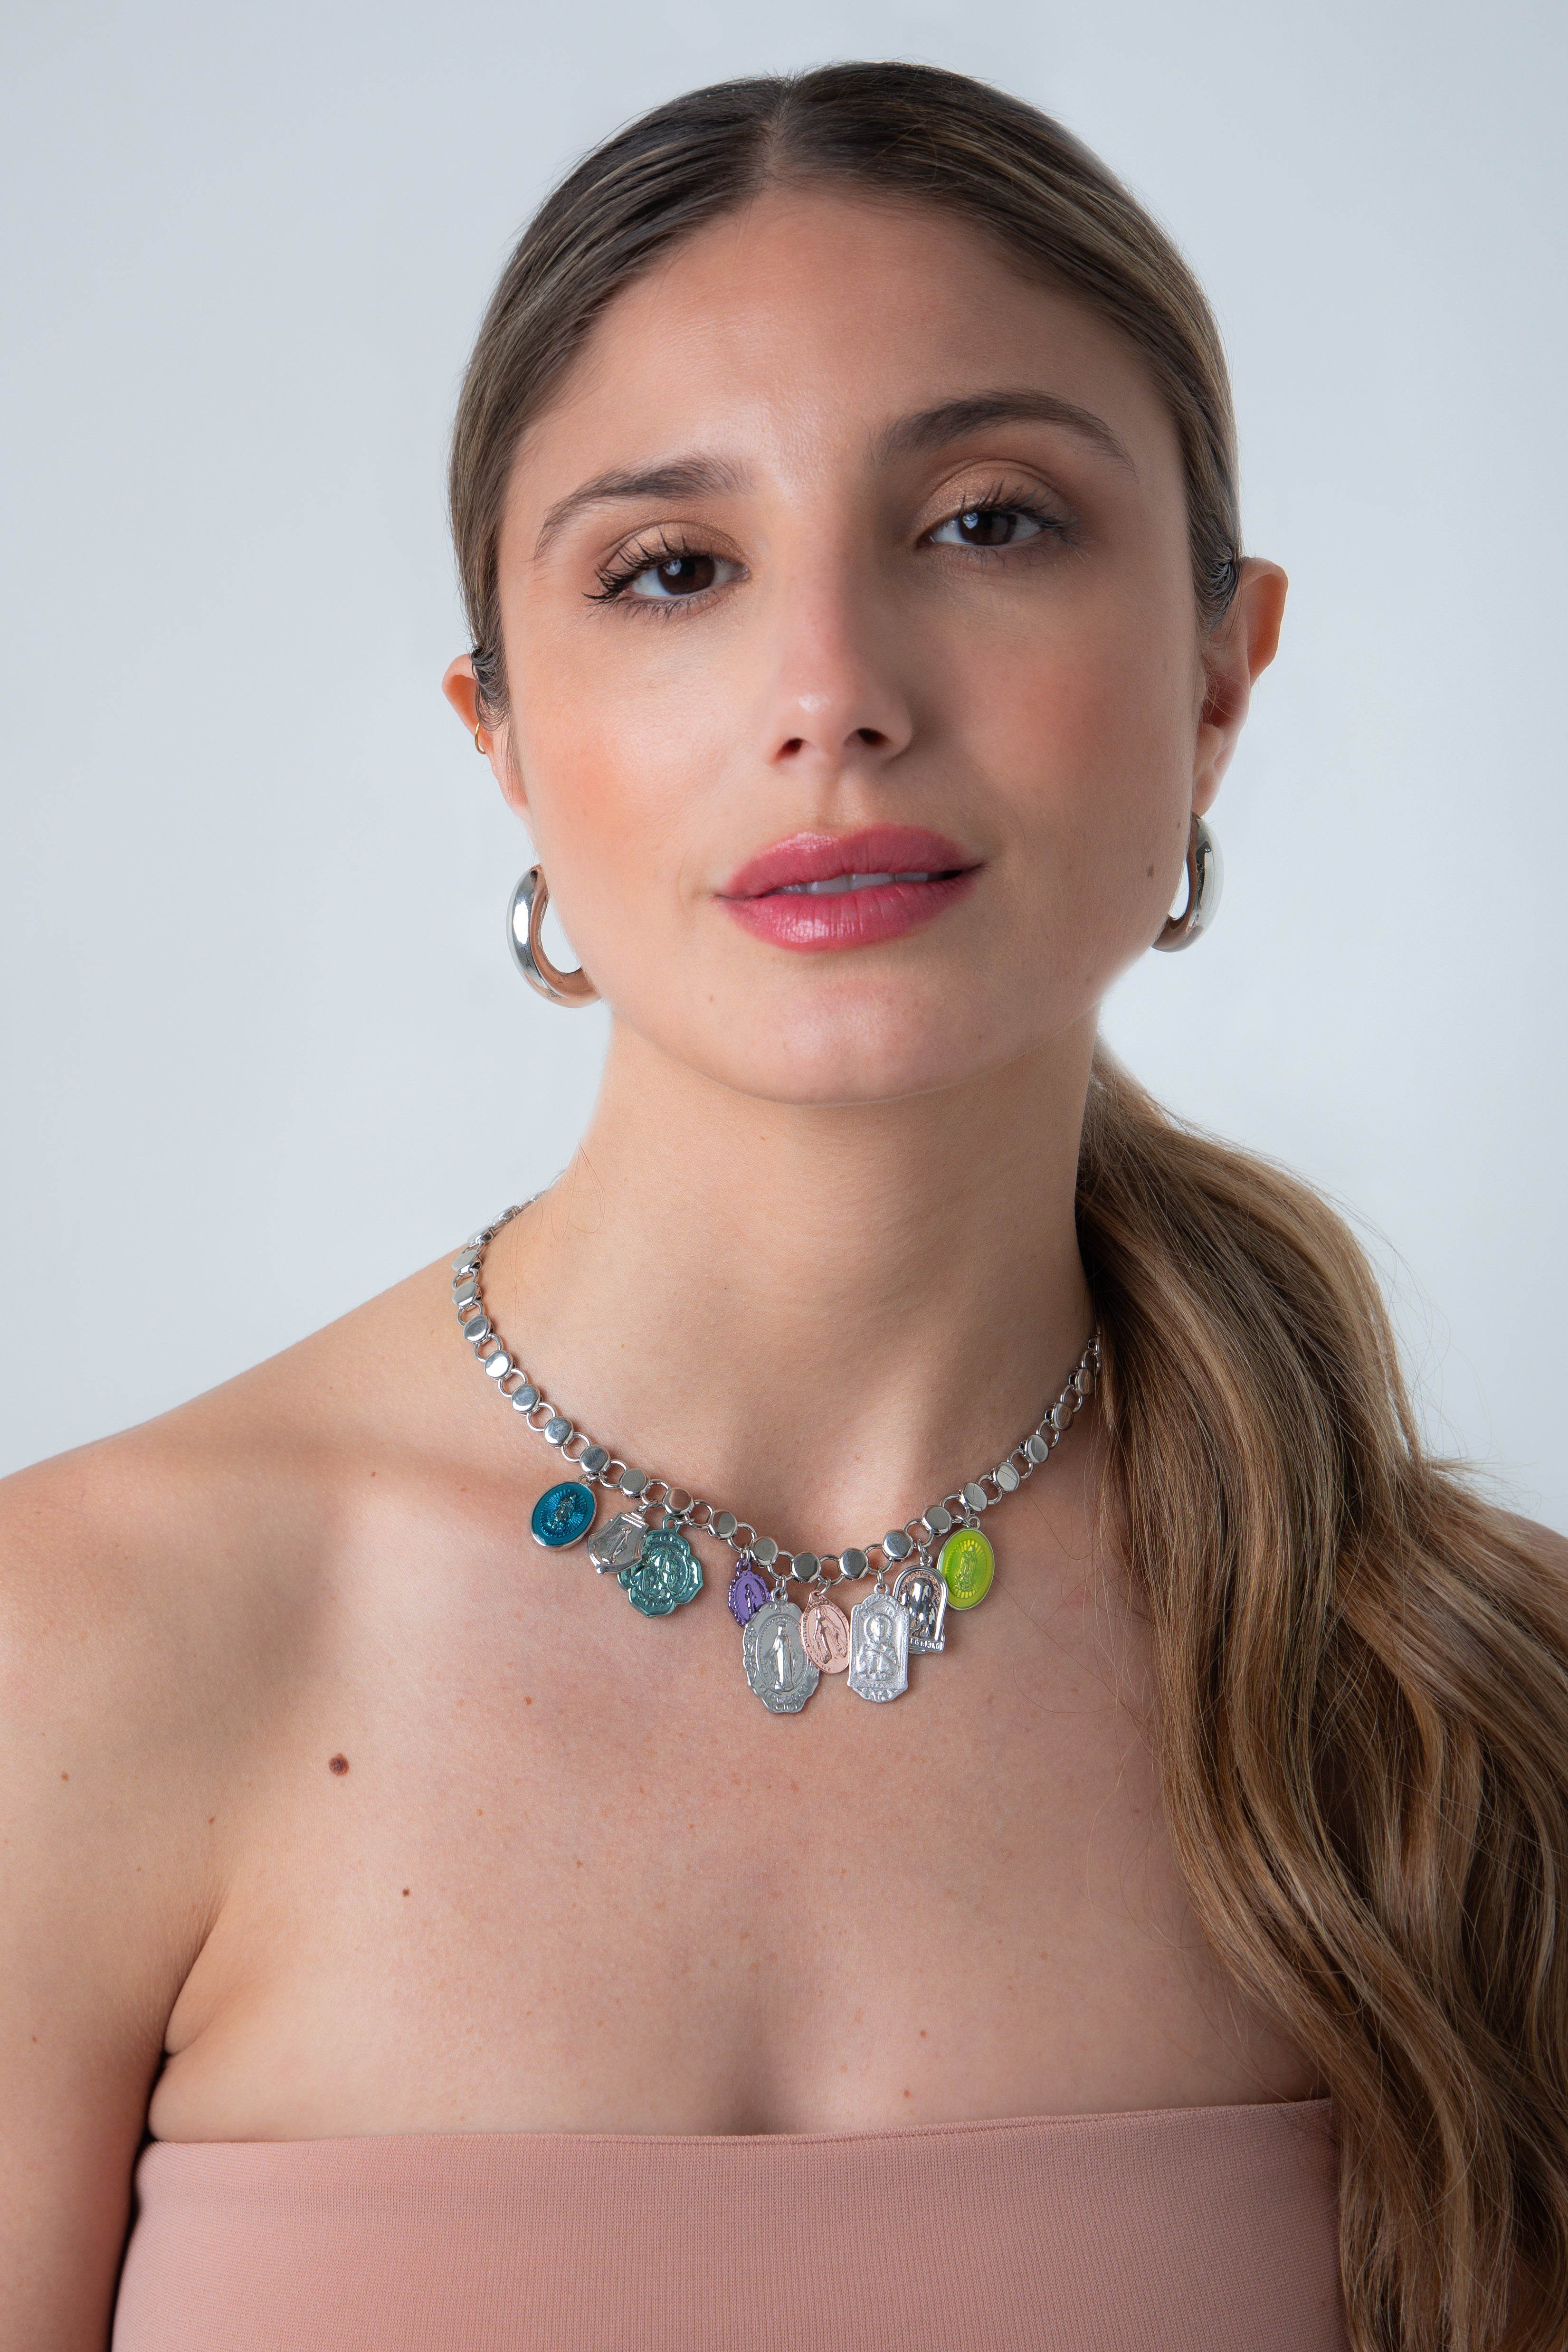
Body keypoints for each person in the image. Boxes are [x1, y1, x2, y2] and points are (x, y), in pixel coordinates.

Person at [3, 61, 1564, 2352]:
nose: (830, 695)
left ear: (1219, 674)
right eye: (673, 569)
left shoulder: (1467, 1709)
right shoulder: (68, 1649)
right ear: (501, 733)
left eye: (988, 521)